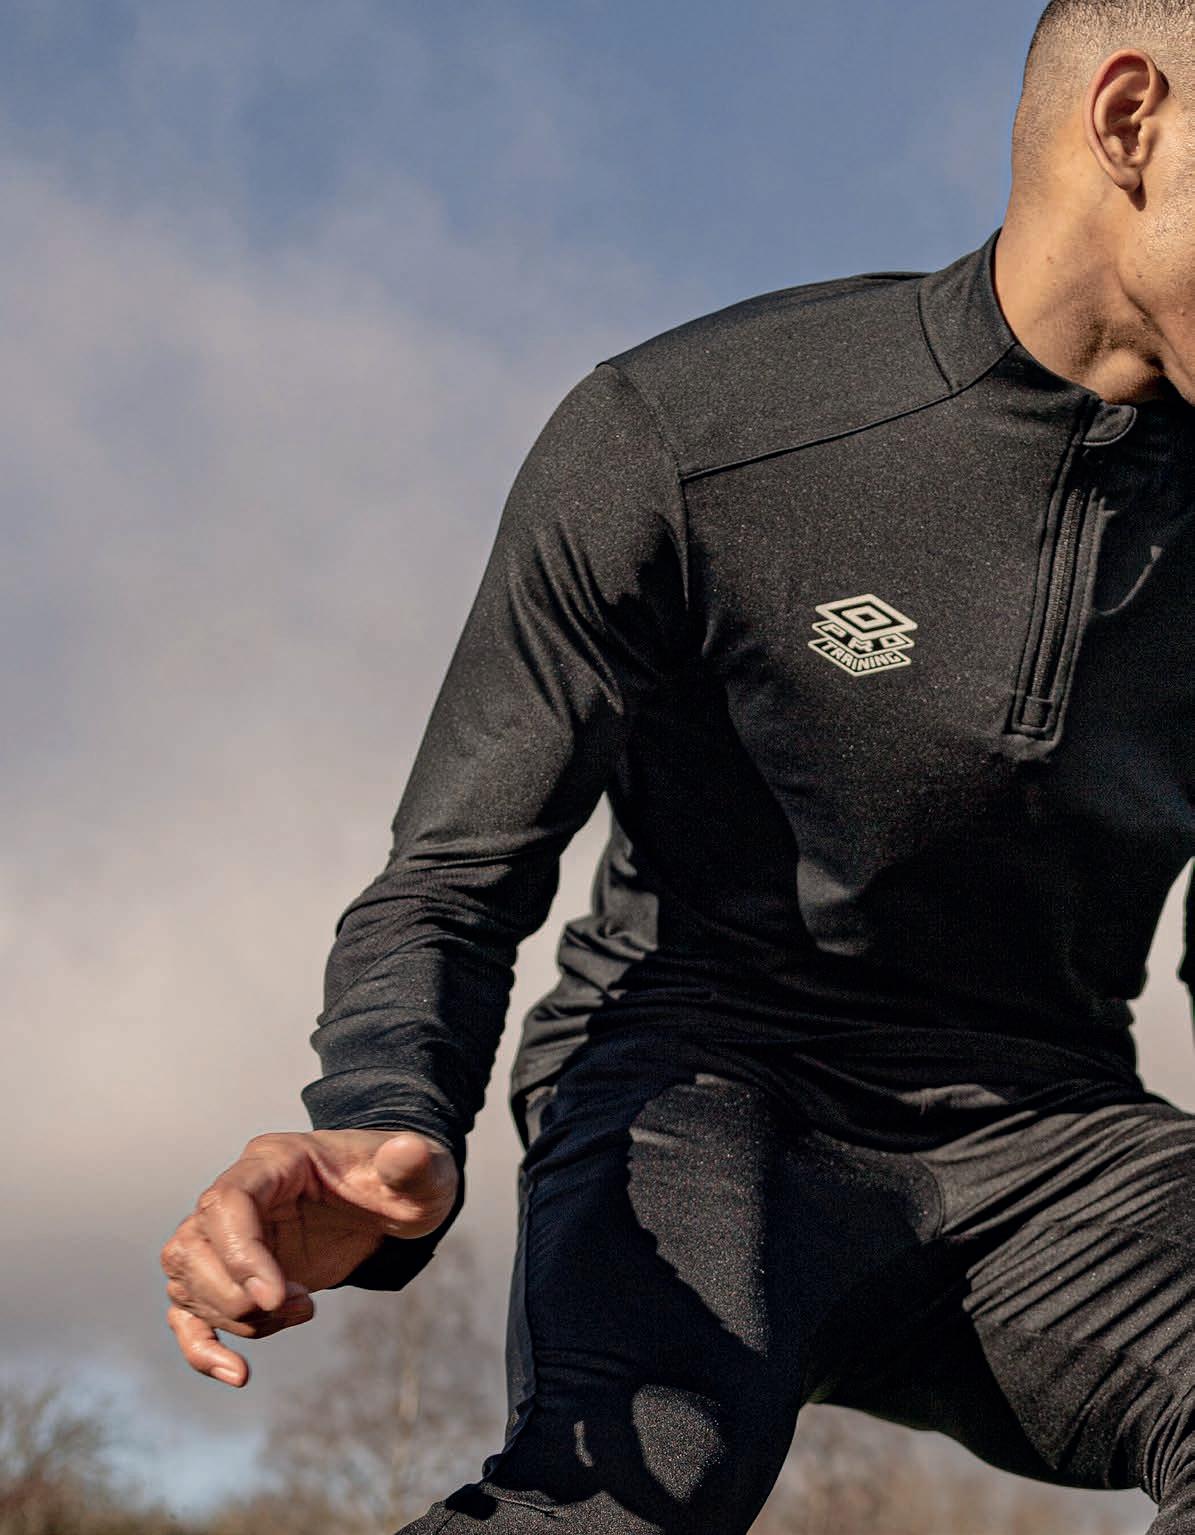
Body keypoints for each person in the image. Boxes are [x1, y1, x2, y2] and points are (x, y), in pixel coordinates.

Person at [159, 3, 1195, 1530]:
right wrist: (383, 1110)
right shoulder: (695, 433)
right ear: (1131, 122)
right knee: (630, 1494)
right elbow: (457, 872)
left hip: (1055, 1136)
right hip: (705, 1080)